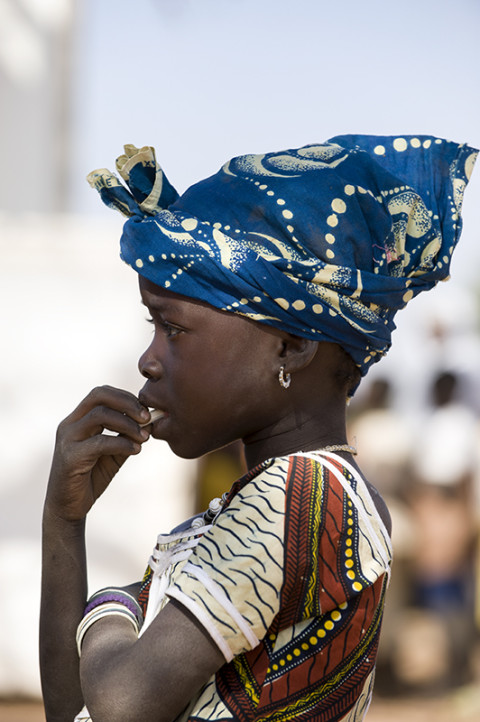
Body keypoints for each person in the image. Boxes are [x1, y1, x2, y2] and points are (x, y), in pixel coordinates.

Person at [40, 135, 477, 722]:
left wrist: (116, 602)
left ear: (293, 345)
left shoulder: (301, 496)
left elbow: (119, 705)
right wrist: (64, 522)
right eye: (153, 326)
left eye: (175, 329)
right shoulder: (275, 504)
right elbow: (75, 713)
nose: (149, 360)